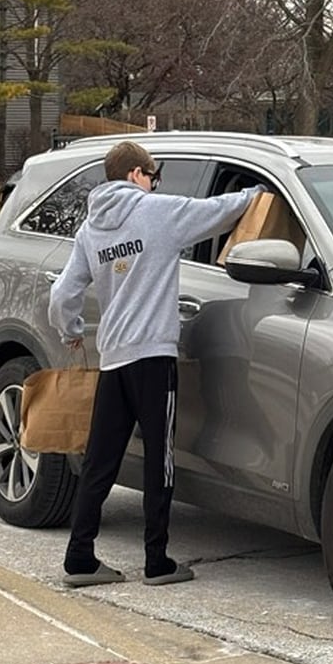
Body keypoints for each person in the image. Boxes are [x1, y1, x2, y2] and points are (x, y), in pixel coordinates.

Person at [48, 140, 262, 588]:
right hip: (153, 357)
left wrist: (70, 331)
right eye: (152, 175)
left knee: (100, 460)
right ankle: (157, 560)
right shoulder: (159, 213)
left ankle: (80, 557)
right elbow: (219, 211)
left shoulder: (91, 230)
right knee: (159, 460)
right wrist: (256, 194)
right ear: (135, 175)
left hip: (115, 360)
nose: (154, 183)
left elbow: (62, 295)